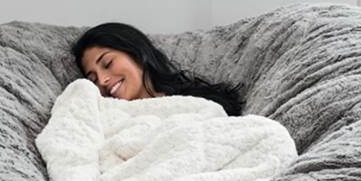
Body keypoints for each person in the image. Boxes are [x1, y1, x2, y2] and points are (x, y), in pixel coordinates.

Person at [72, 22, 244, 116]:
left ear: (137, 53)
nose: (102, 80)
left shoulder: (200, 103)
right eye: (93, 80)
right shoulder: (105, 118)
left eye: (108, 63)